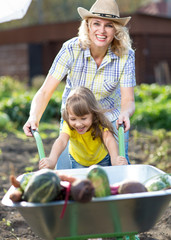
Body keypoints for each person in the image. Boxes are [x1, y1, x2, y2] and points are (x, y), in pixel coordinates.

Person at [23, 0, 136, 168]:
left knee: (118, 166)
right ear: (88, 25)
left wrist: (125, 113)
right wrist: (34, 117)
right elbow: (45, 91)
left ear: (116, 30)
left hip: (110, 117)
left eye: (109, 25)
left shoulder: (126, 55)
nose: (102, 31)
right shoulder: (71, 49)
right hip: (75, 117)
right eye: (96, 24)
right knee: (66, 172)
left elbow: (128, 100)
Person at [39, 86, 127, 169]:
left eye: (83, 118)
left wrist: (115, 159)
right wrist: (52, 160)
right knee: (81, 183)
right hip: (78, 161)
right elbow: (61, 141)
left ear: (93, 114)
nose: (78, 124)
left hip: (101, 160)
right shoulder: (68, 124)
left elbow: (108, 139)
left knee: (101, 183)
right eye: (73, 119)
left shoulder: (98, 121)